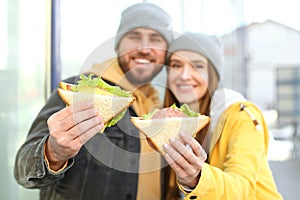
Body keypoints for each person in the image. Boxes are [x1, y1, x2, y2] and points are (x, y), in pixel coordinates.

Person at [14, 2, 179, 200]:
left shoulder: (159, 108)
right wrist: (53, 152)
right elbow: (22, 169)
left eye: (156, 39)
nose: (144, 48)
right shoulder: (79, 92)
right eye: (134, 36)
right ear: (118, 45)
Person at [162, 32, 283, 199]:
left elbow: (242, 187)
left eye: (197, 66)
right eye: (176, 65)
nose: (184, 76)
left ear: (213, 74)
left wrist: (197, 180)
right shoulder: (173, 120)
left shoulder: (242, 116)